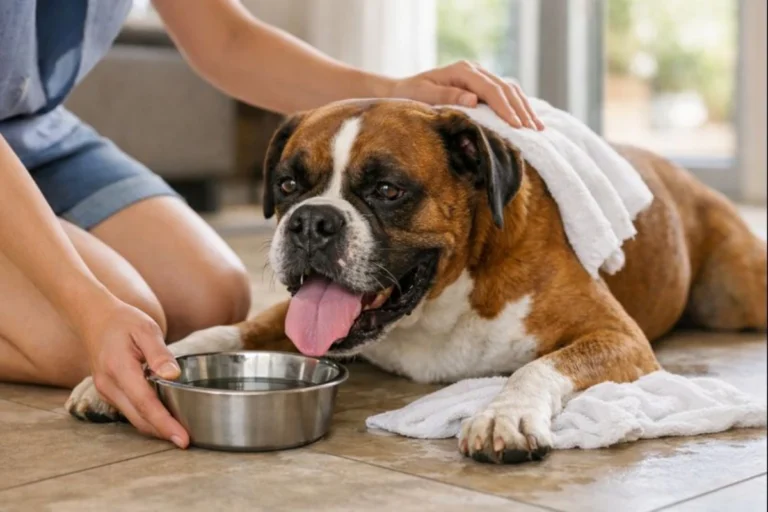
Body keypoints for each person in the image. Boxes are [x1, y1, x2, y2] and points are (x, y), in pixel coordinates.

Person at [0, 0, 544, 449]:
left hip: (34, 129)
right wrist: (88, 304)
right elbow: (91, 312)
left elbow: (227, 40)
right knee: (81, 339)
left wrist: (395, 93)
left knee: (207, 297)